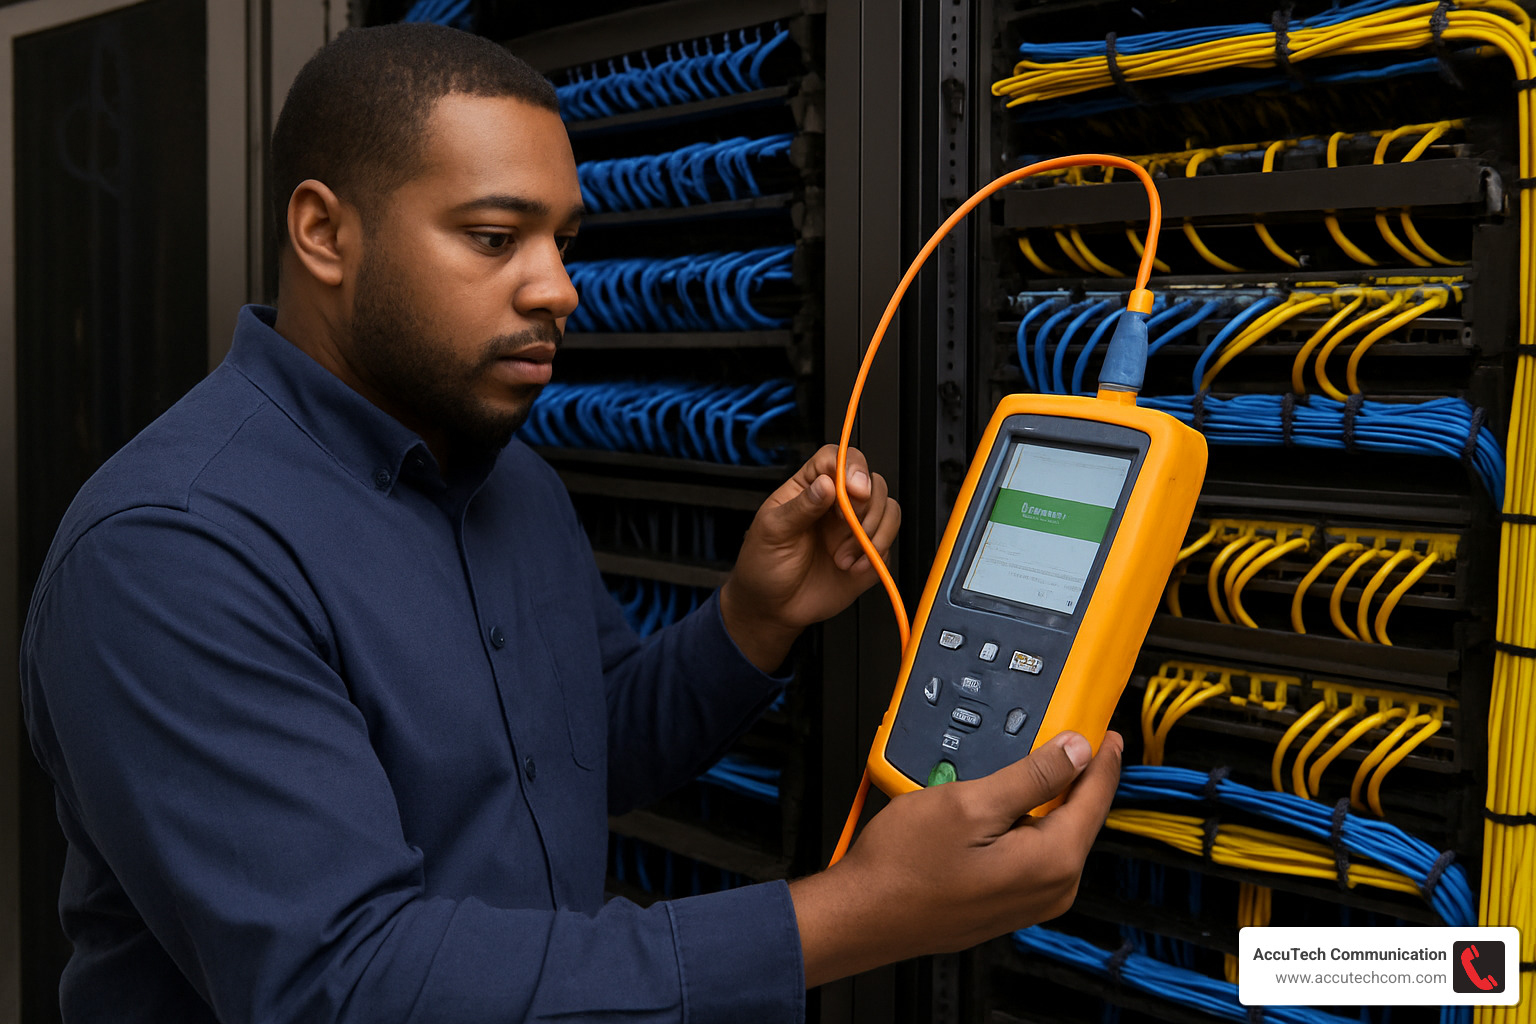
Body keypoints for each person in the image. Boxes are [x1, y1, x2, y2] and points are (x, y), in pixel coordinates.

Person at [19, 23, 1122, 1024]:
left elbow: (578, 760)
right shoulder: (173, 549)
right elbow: (342, 983)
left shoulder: (509, 481)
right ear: (323, 232)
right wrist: (851, 915)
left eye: (564, 240)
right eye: (497, 238)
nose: (559, 289)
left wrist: (749, 619)